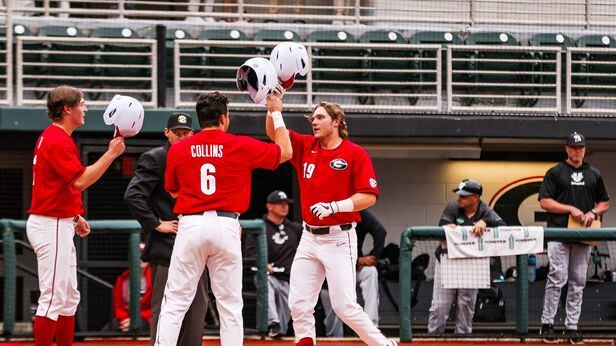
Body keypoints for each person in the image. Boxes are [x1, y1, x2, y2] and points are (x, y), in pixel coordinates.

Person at [154, 91, 292, 346]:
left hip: (191, 223)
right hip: (227, 224)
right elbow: (285, 152)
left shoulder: (179, 147)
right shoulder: (239, 144)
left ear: (199, 119)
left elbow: (172, 189)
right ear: (224, 118)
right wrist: (275, 112)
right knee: (230, 305)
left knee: (175, 302)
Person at [266, 101, 396, 346]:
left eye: (320, 117)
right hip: (309, 236)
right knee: (299, 303)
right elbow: (275, 134)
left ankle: (383, 344)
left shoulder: (355, 153)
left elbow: (368, 196)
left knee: (344, 306)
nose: (313, 122)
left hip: (339, 237)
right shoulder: (306, 146)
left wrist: (335, 206)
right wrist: (273, 109)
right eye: (312, 118)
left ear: (336, 121)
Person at [27, 85, 126, 345]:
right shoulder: (57, 139)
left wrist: (75, 216)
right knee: (53, 298)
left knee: (69, 296)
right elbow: (80, 181)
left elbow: (59, 186)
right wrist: (110, 154)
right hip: (50, 225)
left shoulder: (55, 136)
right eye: (81, 103)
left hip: (58, 221)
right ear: (67, 109)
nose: (85, 108)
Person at [124, 113, 210, 345]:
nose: (182, 137)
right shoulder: (156, 158)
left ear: (193, 134)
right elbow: (133, 196)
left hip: (195, 241)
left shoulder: (198, 156)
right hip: (167, 244)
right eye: (177, 133)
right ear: (167, 132)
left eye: (186, 133)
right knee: (165, 305)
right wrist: (155, 223)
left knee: (197, 306)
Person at [538, 132, 610, 344]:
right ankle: (547, 324)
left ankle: (571, 326)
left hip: (584, 235)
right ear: (567, 148)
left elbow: (604, 202)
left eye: (581, 147)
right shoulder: (555, 172)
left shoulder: (594, 174)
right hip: (559, 233)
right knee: (556, 279)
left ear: (585, 149)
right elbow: (544, 201)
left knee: (578, 282)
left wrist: (593, 212)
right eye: (574, 147)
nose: (577, 151)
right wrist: (570, 209)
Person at [427, 179, 506, 334]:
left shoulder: (485, 210)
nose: (459, 198)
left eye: (464, 196)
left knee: (466, 305)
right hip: (447, 260)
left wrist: (486, 222)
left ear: (475, 197)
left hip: (471, 263)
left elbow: (502, 226)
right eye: (459, 195)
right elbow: (441, 226)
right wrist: (451, 229)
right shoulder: (453, 207)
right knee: (440, 305)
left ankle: (462, 339)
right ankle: (433, 338)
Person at [244, 190, 302, 338]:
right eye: (280, 204)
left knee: (281, 329)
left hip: (289, 280)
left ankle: (278, 328)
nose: (284, 207)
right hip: (269, 275)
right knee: (265, 280)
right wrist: (263, 263)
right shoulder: (259, 227)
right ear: (270, 206)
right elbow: (250, 253)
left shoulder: (295, 228)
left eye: (286, 204)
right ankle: (272, 323)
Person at [320, 208, 386, 337]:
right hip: (330, 272)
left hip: (354, 269)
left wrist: (373, 259)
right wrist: (357, 261)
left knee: (371, 272)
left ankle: (371, 328)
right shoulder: (324, 212)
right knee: (333, 316)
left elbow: (380, 231)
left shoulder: (356, 210)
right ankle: (335, 339)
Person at [113, 249, 153, 332]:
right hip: (125, 318)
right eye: (138, 256)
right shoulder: (122, 279)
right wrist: (126, 318)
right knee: (110, 328)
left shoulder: (154, 278)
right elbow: (117, 306)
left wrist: (134, 319)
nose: (142, 258)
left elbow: (157, 307)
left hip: (147, 318)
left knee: (138, 327)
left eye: (144, 254)